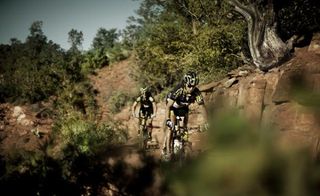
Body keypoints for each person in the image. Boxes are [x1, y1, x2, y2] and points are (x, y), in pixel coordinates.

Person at [162, 71, 208, 158]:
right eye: (189, 86)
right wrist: (168, 120)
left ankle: (183, 145)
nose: (191, 89)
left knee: (183, 127)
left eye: (194, 86)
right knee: (172, 126)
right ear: (185, 83)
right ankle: (167, 152)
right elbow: (168, 106)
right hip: (173, 106)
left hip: (183, 107)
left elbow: (202, 107)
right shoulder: (179, 90)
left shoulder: (196, 92)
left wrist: (207, 122)